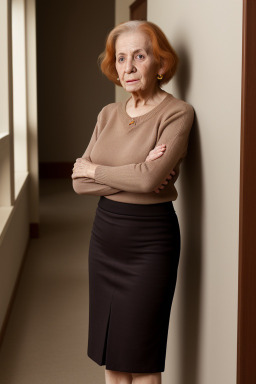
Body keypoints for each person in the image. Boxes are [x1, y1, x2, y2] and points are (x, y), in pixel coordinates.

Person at [72, 20, 194, 384]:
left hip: (149, 243)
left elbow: (148, 180)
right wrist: (135, 173)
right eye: (121, 58)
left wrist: (98, 170)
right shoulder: (107, 115)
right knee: (114, 357)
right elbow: (79, 183)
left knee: (142, 360)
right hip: (105, 239)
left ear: (160, 62)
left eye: (139, 56)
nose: (128, 67)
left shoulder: (177, 113)